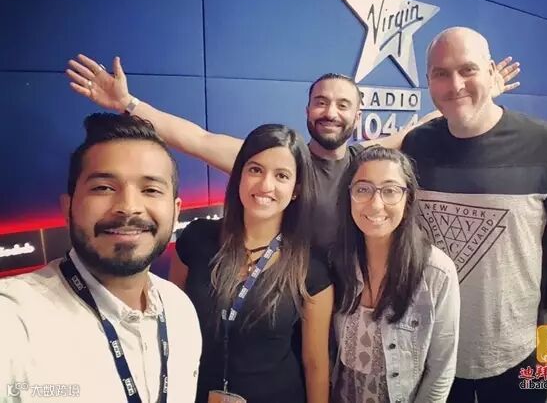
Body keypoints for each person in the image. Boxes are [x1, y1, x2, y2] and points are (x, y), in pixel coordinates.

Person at [65, 55, 519, 254]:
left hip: (349, 305)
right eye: (321, 102)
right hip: (286, 303)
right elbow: (196, 139)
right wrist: (129, 104)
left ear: (357, 116)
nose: (330, 112)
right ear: (307, 110)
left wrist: (483, 94)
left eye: (342, 105)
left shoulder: (365, 161)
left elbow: (420, 127)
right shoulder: (277, 164)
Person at [401, 26, 547, 403]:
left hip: (522, 351)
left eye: (468, 69)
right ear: (428, 80)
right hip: (432, 354)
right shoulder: (416, 146)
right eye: (441, 73)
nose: (455, 84)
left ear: (492, 72)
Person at [0, 114, 201, 403]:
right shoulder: (15, 320)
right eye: (103, 188)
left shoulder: (180, 310)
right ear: (68, 207)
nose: (129, 207)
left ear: (176, 210)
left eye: (151, 190)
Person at [169, 124, 332, 403]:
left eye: (281, 176)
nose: (266, 185)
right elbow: (173, 325)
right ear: (240, 175)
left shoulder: (311, 268)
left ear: (296, 189)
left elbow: (315, 365)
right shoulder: (196, 239)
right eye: (256, 170)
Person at [331, 146, 460, 402]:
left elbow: (441, 370)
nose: (376, 204)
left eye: (390, 191)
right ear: (349, 196)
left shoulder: (437, 272)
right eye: (363, 189)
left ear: (408, 199)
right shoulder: (337, 262)